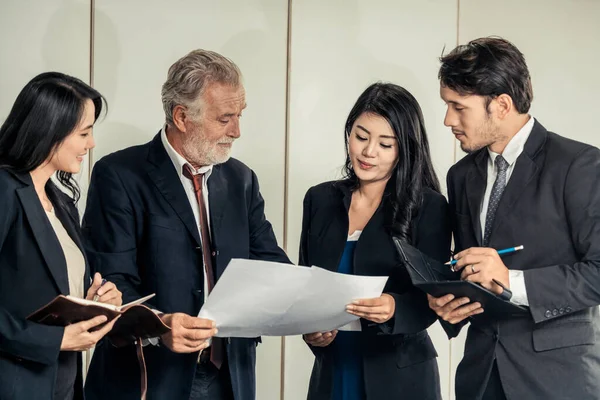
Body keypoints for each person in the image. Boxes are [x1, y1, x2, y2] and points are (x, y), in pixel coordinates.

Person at [83, 49, 290, 400]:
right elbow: (110, 282)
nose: (237, 131)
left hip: (230, 378)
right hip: (150, 376)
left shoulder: (242, 180)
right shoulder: (118, 175)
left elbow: (270, 265)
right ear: (181, 117)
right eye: (224, 119)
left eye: (239, 116)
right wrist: (160, 325)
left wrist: (312, 305)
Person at [429, 37, 600, 400]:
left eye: (458, 107)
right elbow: (470, 268)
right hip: (480, 376)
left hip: (557, 380)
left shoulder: (579, 165)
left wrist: (512, 280)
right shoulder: (460, 175)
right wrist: (449, 301)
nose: (448, 120)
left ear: (502, 105)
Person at [299, 82, 451, 400]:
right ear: (348, 133)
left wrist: (395, 306)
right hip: (333, 369)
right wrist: (311, 331)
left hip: (400, 377)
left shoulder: (429, 206)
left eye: (385, 144)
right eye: (361, 136)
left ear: (404, 149)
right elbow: (307, 287)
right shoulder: (319, 200)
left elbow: (435, 301)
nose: (368, 152)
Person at [0, 72, 122, 400]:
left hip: (63, 385)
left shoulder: (62, 201)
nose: (91, 143)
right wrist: (57, 341)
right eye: (84, 132)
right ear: (50, 131)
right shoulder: (4, 191)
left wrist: (95, 302)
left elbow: (55, 291)